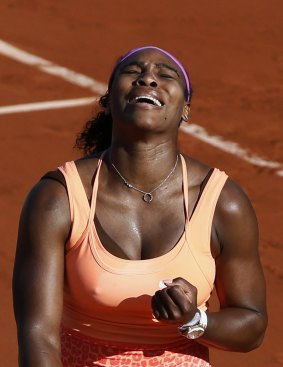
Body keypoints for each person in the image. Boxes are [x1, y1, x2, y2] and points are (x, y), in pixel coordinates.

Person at [13, 46, 267, 367]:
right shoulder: (56, 198)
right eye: (133, 72)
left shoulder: (222, 202)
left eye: (166, 75)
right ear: (108, 100)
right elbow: (38, 334)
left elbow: (252, 325)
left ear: (185, 109)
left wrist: (195, 320)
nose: (147, 78)